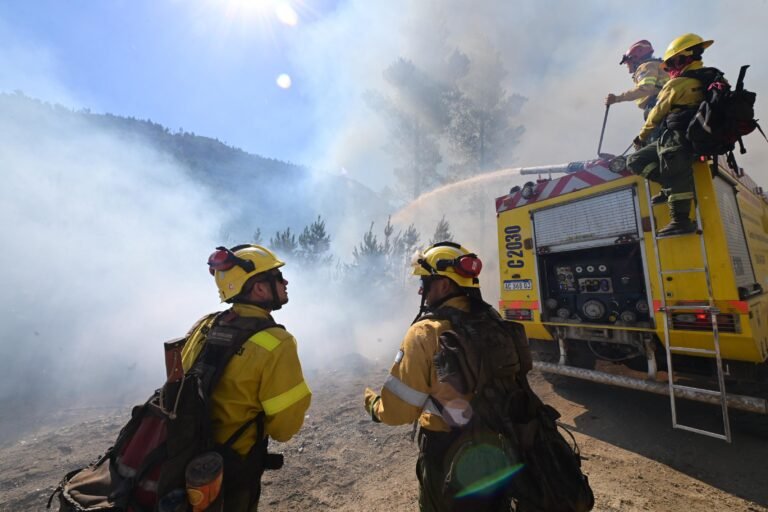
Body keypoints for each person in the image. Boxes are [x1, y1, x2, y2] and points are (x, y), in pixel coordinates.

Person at [363, 241, 518, 511]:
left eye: (425, 282)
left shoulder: (426, 332)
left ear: (444, 285)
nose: (421, 290)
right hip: (500, 441)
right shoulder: (493, 320)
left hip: (448, 449)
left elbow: (400, 411)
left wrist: (375, 406)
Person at [181, 244, 312, 511]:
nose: (285, 282)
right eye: (277, 277)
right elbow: (285, 429)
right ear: (259, 289)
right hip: (234, 469)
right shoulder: (278, 343)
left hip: (186, 454)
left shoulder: (206, 325)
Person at [626, 33, 715, 236]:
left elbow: (656, 113)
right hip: (701, 134)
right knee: (646, 162)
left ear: (681, 58)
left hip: (679, 135)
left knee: (669, 170)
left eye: (672, 62)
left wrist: (641, 137)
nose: (669, 68)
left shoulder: (677, 83)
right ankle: (669, 187)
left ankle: (680, 221)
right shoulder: (712, 76)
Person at [606, 39, 669, 125]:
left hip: (658, 104)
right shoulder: (658, 64)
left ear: (635, 59)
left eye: (628, 63)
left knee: (652, 132)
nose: (627, 67)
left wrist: (617, 98)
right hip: (666, 101)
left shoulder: (646, 66)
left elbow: (645, 89)